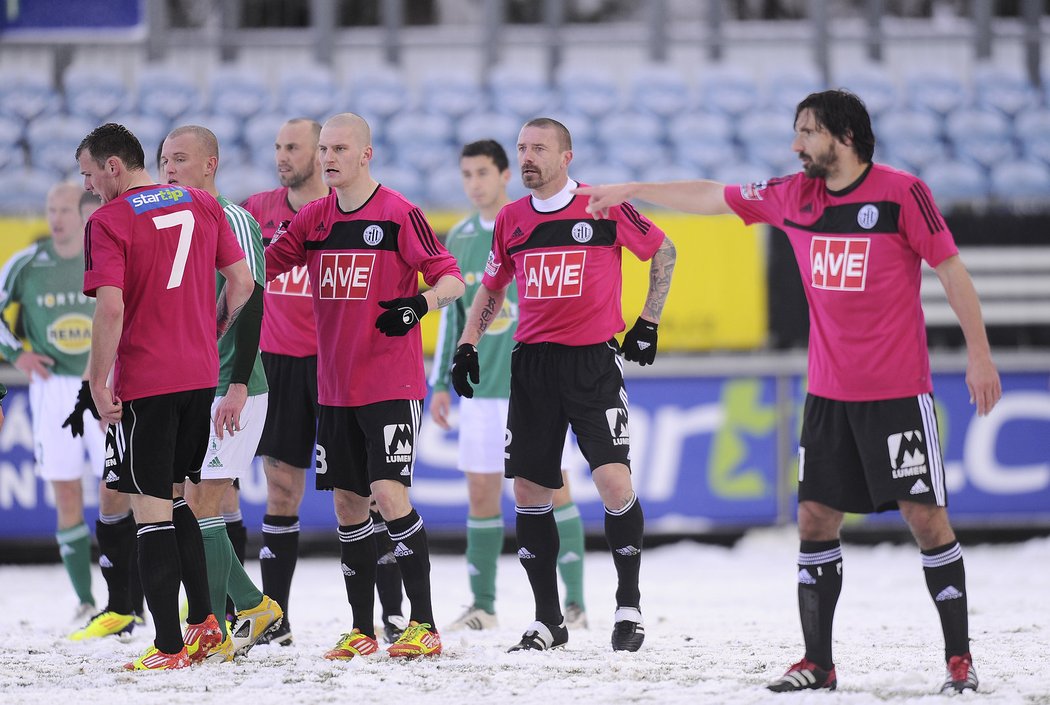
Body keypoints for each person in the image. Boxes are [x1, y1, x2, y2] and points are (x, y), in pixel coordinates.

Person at [576, 89, 1000, 694]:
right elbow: (710, 194)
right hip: (827, 396)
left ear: (844, 137)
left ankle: (959, 660)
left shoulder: (903, 194)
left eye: (807, 132)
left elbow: (951, 270)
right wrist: (631, 190)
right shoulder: (791, 196)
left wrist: (980, 356)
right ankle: (818, 663)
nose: (796, 143)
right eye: (795, 131)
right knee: (813, 519)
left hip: (898, 394)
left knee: (927, 520)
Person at [452, 118, 677, 653]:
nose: (528, 156)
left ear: (566, 156)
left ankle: (628, 606)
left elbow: (664, 252)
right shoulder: (510, 220)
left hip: (592, 365)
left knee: (613, 483)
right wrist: (466, 345)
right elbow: (489, 290)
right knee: (530, 490)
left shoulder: (602, 205)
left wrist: (647, 322)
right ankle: (547, 620)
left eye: (539, 148)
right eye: (522, 148)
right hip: (531, 368)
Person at [265, 112, 463, 661]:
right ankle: (362, 630)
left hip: (391, 385)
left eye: (339, 148)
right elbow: (261, 266)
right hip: (333, 388)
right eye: (323, 148)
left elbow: (451, 277)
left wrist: (418, 305)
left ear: (365, 154)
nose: (327, 157)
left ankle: (423, 625)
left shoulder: (399, 214)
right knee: (349, 506)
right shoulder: (312, 220)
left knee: (387, 493)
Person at [76, 122, 256, 670]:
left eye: (89, 175)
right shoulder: (202, 203)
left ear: (113, 167)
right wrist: (210, 331)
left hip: (148, 380)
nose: (87, 187)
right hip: (199, 375)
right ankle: (205, 622)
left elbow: (110, 308)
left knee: (148, 512)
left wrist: (96, 381)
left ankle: (169, 646)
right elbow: (243, 283)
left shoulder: (108, 219)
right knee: (180, 500)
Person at [243, 117, 406, 646]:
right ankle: (277, 619)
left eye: (293, 147)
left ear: (325, 154)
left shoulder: (345, 212)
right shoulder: (256, 211)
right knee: (282, 487)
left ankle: (393, 614)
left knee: (374, 492)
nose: (282, 156)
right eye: (277, 146)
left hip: (342, 363)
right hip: (281, 363)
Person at [430, 139, 588, 632]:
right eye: (466, 175)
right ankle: (483, 605)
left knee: (553, 489)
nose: (474, 184)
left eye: (482, 173)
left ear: (504, 175)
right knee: (481, 493)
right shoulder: (456, 239)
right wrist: (439, 383)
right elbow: (453, 318)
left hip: (534, 387)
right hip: (480, 393)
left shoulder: (529, 223)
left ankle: (576, 604)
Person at [159, 124, 283, 661]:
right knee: (191, 501)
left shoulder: (233, 219)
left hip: (235, 385)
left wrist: (236, 385)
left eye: (181, 159)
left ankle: (210, 628)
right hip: (189, 383)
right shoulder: (170, 222)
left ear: (210, 164)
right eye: (164, 160)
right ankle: (251, 606)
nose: (169, 170)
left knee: (205, 500)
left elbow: (251, 299)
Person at [0, 182, 124, 628]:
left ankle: (125, 598)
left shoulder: (107, 256)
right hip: (53, 390)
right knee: (66, 490)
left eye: (65, 209)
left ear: (84, 213)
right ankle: (86, 601)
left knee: (118, 490)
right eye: (50, 208)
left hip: (105, 382)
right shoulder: (27, 263)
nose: (57, 217)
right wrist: (17, 354)